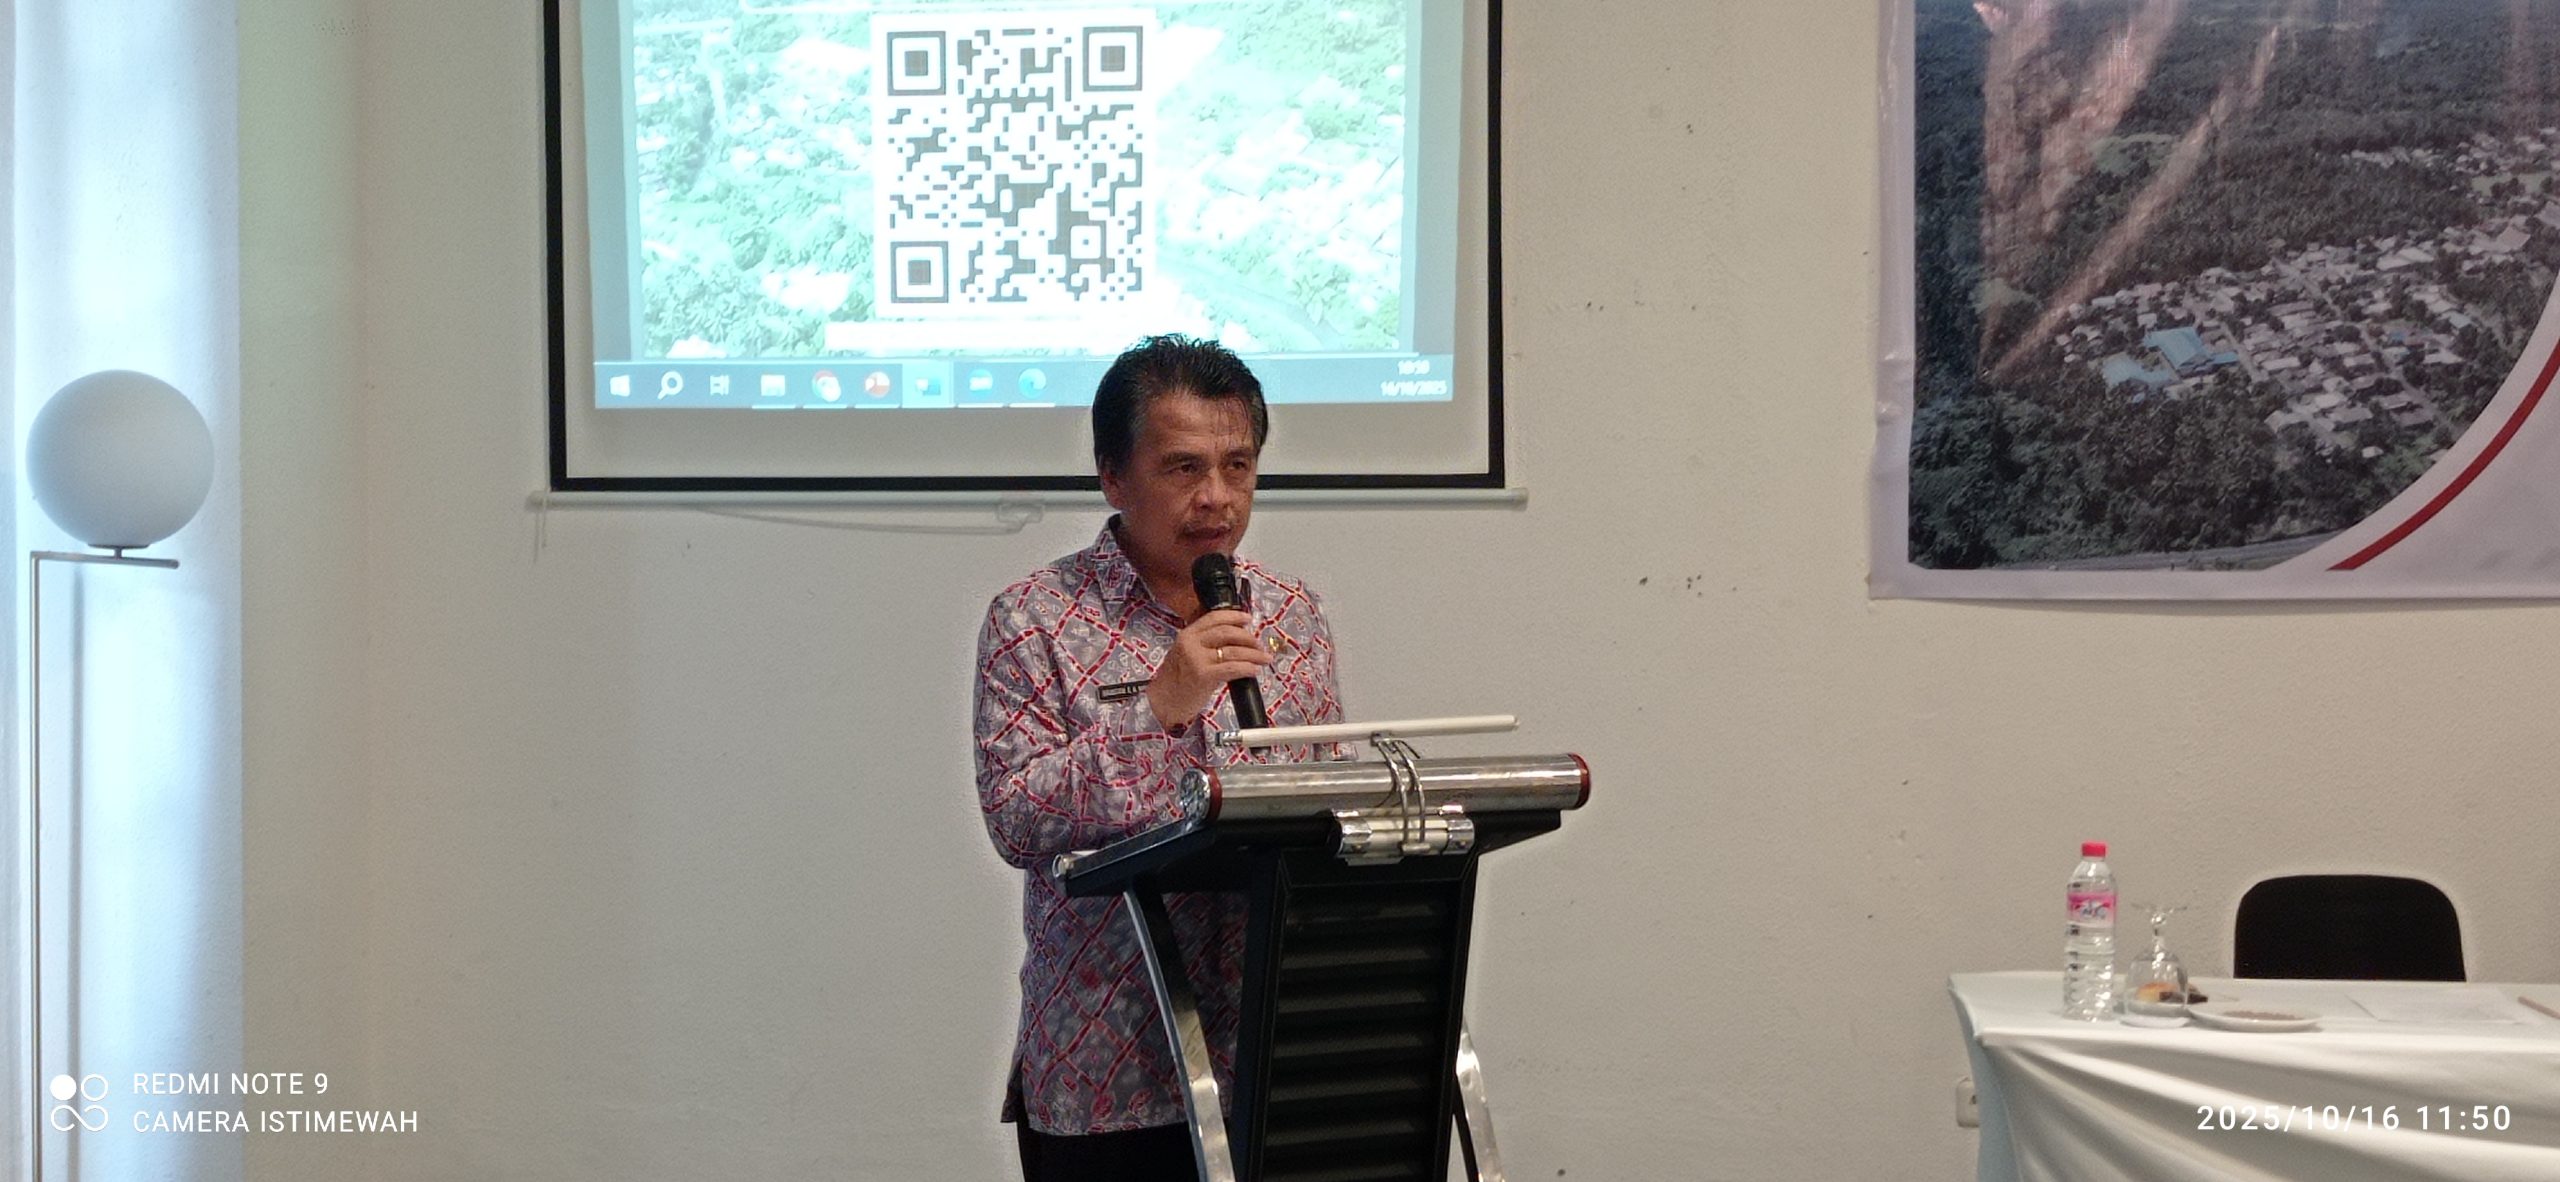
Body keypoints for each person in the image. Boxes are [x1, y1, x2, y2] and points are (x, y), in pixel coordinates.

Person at [973, 334, 1344, 1180]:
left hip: (1270, 1053)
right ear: (1113, 476)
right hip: (1110, 1068)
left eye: (1237, 466)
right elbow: (1017, 819)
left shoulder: (1292, 615)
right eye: (1183, 468)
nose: (1217, 497)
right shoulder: (1033, 619)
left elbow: (1321, 804)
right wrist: (1157, 710)